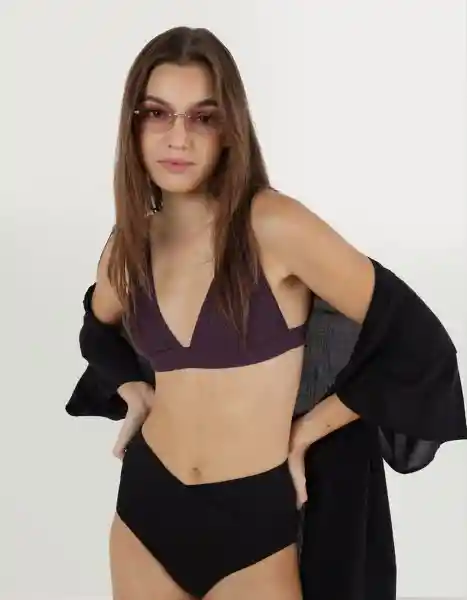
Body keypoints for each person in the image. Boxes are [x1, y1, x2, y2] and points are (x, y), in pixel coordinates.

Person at [67, 26, 467, 600]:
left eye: (202, 117)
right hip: (146, 512)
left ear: (230, 128)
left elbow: (419, 342)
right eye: (157, 113)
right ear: (133, 126)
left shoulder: (274, 226)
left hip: (254, 521)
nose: (177, 137)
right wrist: (132, 388)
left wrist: (307, 433)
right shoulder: (130, 244)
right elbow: (97, 328)